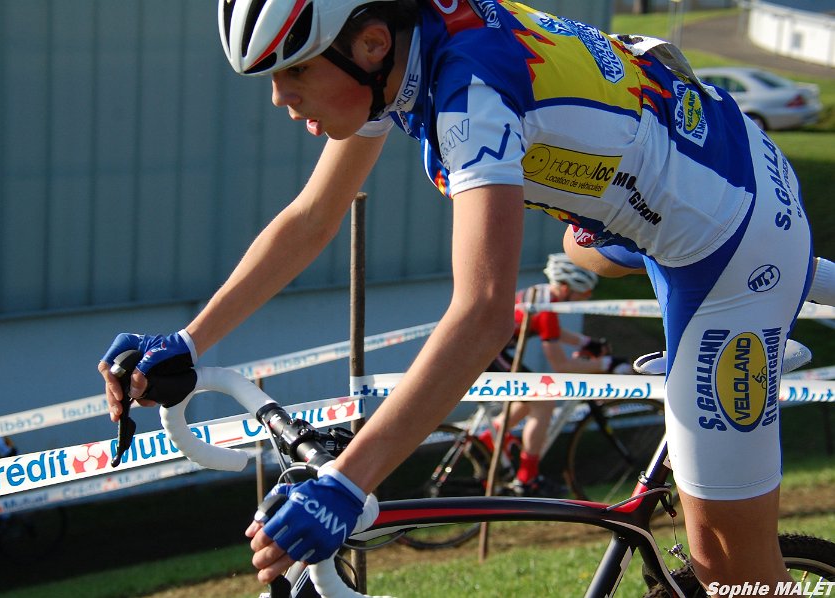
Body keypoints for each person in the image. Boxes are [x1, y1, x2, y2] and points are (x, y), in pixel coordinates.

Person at [98, 0, 820, 588]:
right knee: (580, 248)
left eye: (294, 71)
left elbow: (481, 315)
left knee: (729, 569)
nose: (281, 98)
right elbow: (313, 218)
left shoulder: (470, 101)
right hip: (681, 177)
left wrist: (349, 483)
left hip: (733, 243)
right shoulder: (402, 51)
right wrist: (189, 341)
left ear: (370, 43)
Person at [481, 252, 631, 497]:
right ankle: (527, 478)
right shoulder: (546, 308)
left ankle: (491, 436)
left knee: (532, 399)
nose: (587, 297)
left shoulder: (543, 296)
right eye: (583, 292)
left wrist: (587, 343)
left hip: (491, 350)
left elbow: (552, 331)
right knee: (544, 401)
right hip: (487, 353)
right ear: (564, 288)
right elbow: (561, 365)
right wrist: (608, 363)